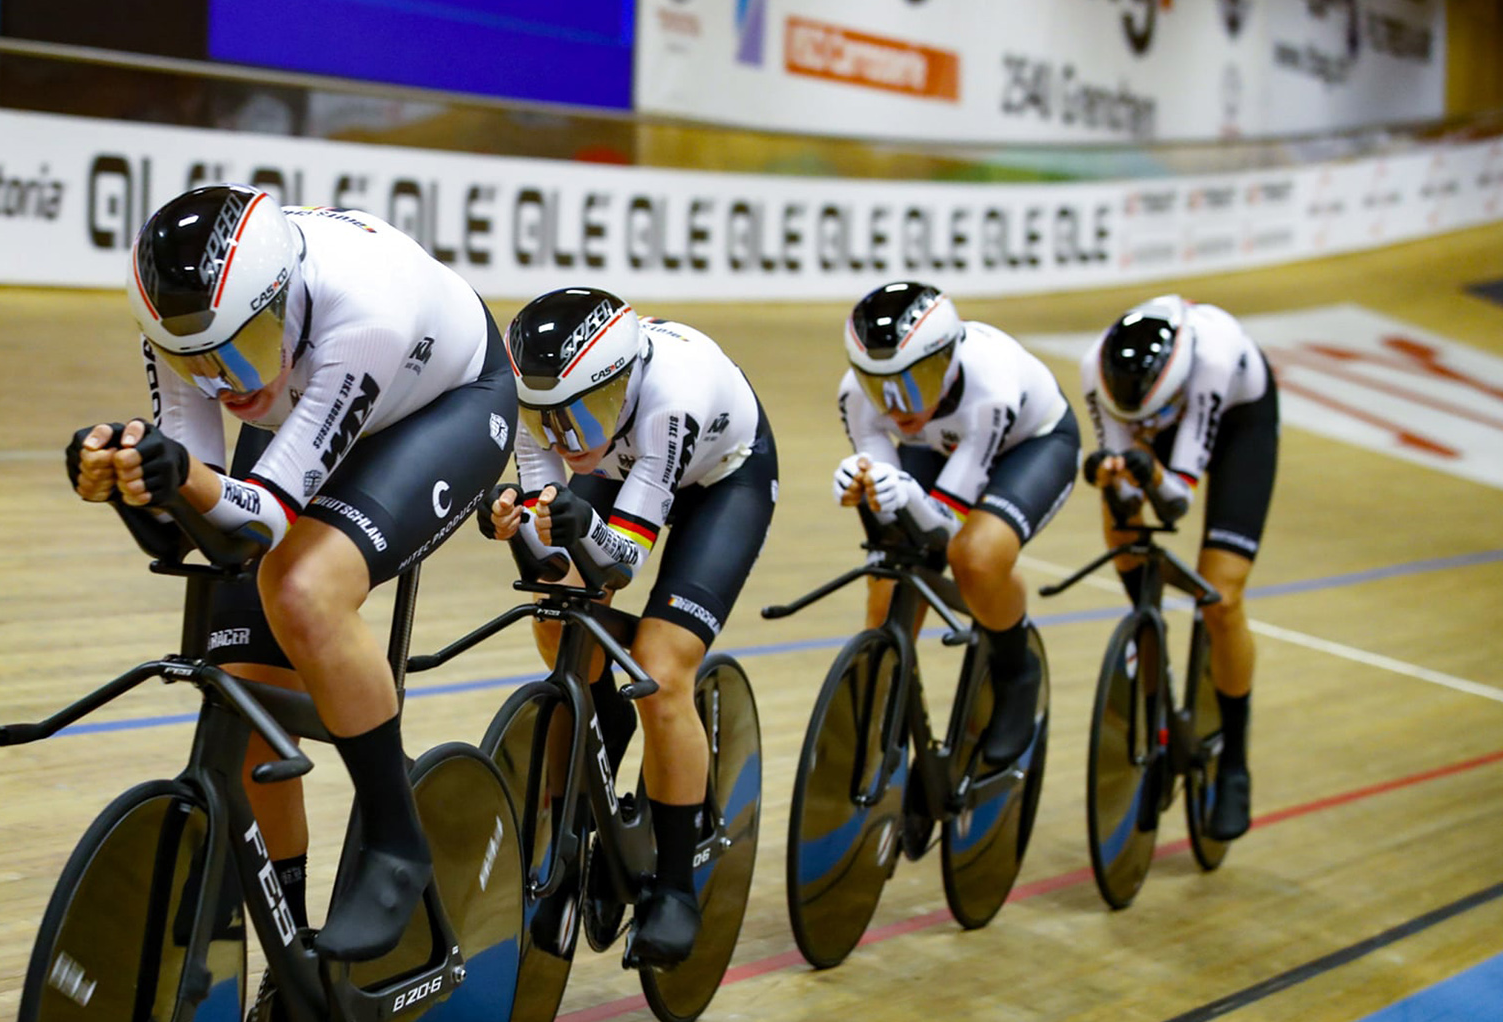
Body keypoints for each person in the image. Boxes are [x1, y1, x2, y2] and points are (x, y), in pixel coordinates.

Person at [66, 184, 516, 967]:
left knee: (304, 591)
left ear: (283, 299)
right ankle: (290, 972)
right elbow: (201, 518)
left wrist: (182, 479)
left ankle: (395, 835)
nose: (228, 383)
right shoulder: (193, 330)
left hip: (441, 404)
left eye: (242, 349)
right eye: (197, 365)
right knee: (241, 685)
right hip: (317, 405)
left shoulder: (363, 309)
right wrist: (127, 475)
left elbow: (260, 520)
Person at [480, 287, 777, 968]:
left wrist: (573, 526)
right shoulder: (549, 408)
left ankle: (673, 887)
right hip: (624, 468)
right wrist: (513, 524)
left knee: (660, 666)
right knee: (560, 616)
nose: (563, 437)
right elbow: (552, 548)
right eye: (547, 420)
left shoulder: (671, 399)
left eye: (584, 412)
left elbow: (619, 567)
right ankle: (595, 746)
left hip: (720, 483)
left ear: (625, 381)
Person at [833, 280, 1079, 768]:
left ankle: (1016, 672)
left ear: (948, 361)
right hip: (940, 445)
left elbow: (944, 530)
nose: (896, 406)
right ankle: (896, 712)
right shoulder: (857, 398)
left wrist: (901, 493)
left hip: (1031, 446)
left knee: (977, 557)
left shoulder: (990, 389)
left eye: (913, 384)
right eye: (877, 386)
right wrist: (865, 487)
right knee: (887, 585)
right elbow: (893, 517)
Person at [1082, 295, 1277, 840]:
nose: (1143, 429)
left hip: (1239, 421)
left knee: (1221, 594)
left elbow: (1176, 502)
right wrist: (1117, 480)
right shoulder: (1094, 368)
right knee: (1120, 519)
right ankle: (1149, 644)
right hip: (1159, 408)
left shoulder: (1213, 361)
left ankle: (1235, 762)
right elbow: (1126, 490)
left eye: (1151, 421)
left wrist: (1147, 472)